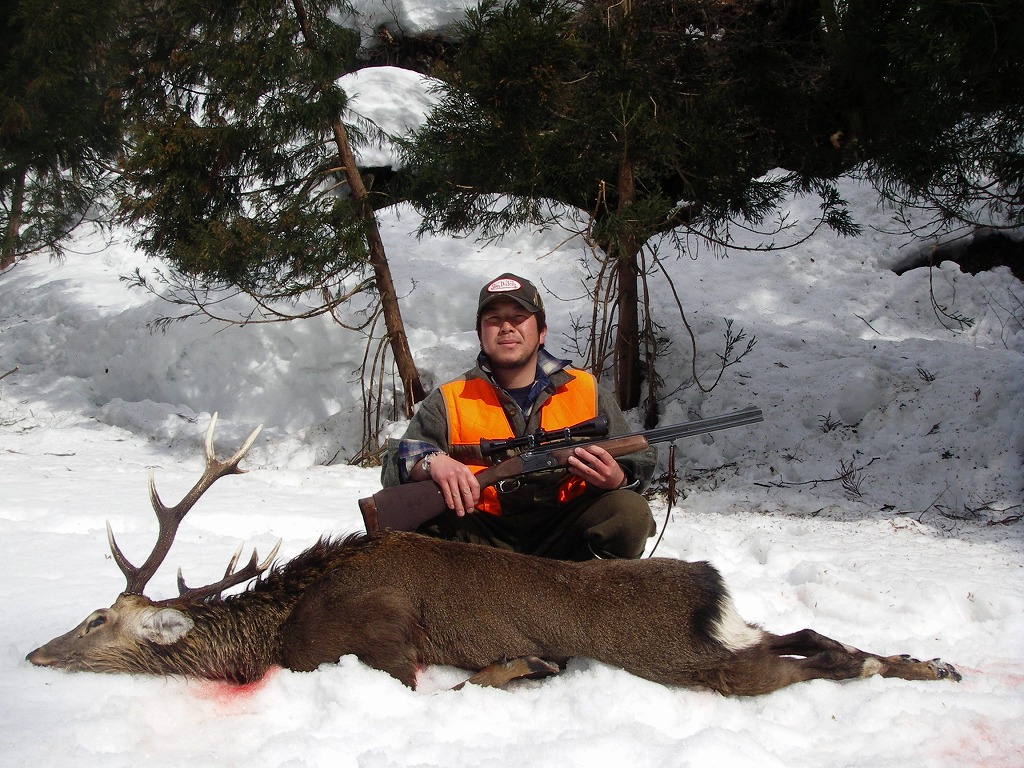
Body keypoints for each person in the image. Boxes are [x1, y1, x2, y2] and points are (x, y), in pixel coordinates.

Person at [380, 273, 657, 560]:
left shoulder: (585, 389)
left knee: (630, 514)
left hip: (567, 532)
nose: (506, 327)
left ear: (542, 332)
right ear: (480, 334)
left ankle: (592, 600)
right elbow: (393, 465)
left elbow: (638, 459)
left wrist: (617, 478)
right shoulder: (450, 399)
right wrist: (431, 462)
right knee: (420, 523)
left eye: (519, 316)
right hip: (480, 539)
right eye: (494, 319)